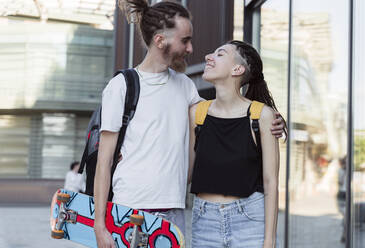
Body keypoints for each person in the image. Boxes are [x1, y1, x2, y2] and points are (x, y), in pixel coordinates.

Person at [94, 1, 285, 248]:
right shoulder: (121, 86)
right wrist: (99, 224)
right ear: (161, 41)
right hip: (129, 211)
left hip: (174, 214)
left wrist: (272, 119)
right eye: (185, 40)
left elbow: (225, 114)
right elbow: (103, 162)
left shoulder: (185, 86)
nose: (191, 48)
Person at [189, 40, 286, 248]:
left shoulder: (261, 116)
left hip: (250, 221)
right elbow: (187, 171)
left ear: (237, 69)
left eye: (220, 54)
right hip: (204, 222)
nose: (209, 57)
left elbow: (271, 182)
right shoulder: (197, 113)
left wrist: (269, 240)